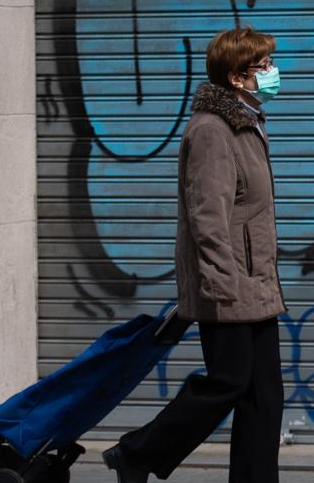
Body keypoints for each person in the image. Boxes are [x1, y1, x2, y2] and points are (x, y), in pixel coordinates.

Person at [103, 26, 287, 483]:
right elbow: (208, 217)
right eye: (263, 66)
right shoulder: (212, 131)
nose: (272, 73)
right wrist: (221, 284)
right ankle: (137, 452)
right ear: (236, 76)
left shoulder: (246, 122)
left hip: (256, 280)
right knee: (226, 383)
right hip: (228, 283)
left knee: (265, 395)